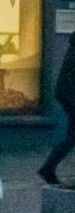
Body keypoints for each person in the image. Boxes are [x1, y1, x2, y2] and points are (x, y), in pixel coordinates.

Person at [38, 34, 75, 185]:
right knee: (71, 137)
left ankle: (48, 168)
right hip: (71, 97)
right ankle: (48, 168)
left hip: (68, 96)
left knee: (71, 137)